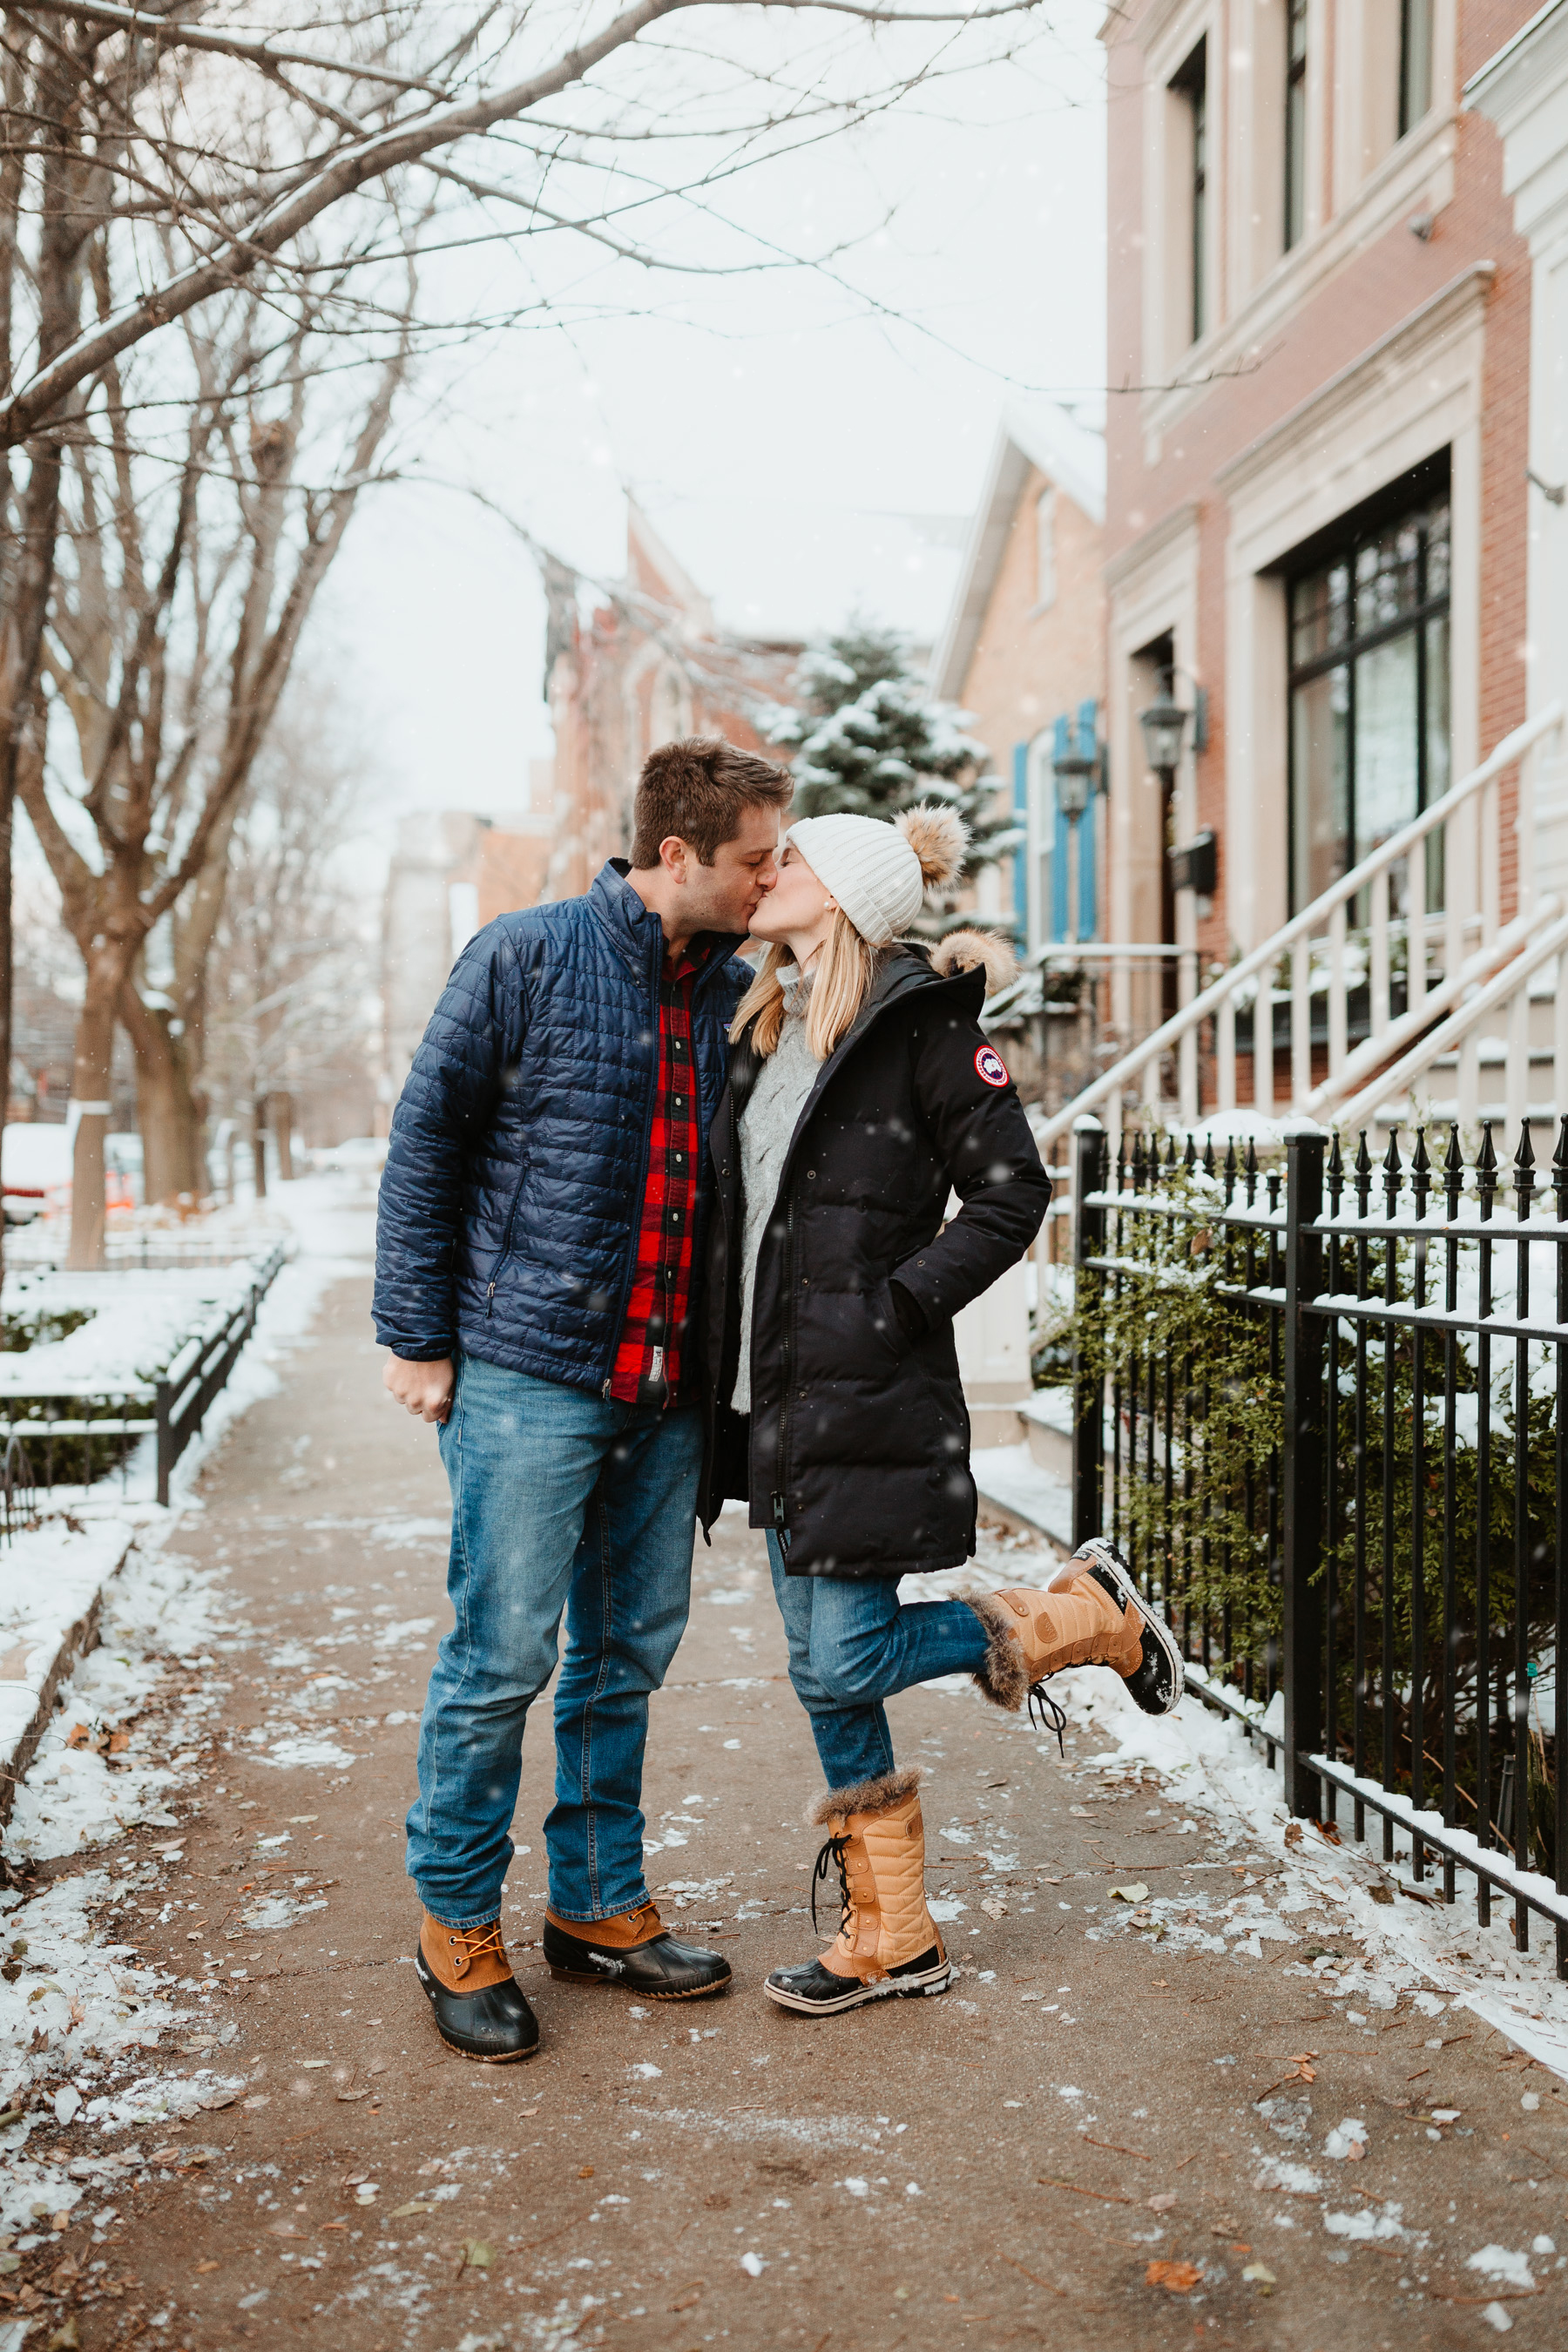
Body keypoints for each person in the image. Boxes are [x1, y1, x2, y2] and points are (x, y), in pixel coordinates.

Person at [699, 805, 1185, 2017]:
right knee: (829, 1675)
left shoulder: (923, 1032)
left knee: (844, 1654)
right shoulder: (763, 1025)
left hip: (864, 1388)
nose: (772, 872)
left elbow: (1014, 1192)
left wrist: (902, 1304)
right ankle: (894, 1937)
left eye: (794, 859)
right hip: (768, 1401)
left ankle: (1083, 1616)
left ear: (852, 895)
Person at [375, 736, 793, 2062]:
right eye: (752, 860)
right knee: (500, 1659)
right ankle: (456, 1924)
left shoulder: (738, 992)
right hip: (525, 1377)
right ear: (676, 856)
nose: (767, 879)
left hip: (666, 1391)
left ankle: (600, 1909)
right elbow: (426, 1138)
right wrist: (416, 1336)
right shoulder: (526, 954)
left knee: (624, 1659)